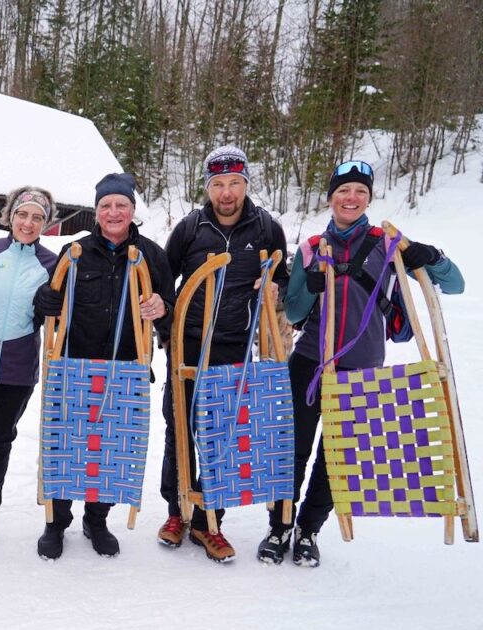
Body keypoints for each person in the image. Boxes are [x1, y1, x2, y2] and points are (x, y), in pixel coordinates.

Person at [262, 159, 464, 567]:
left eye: (359, 191)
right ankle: (280, 525)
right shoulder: (311, 247)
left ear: (369, 197)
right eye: (343, 191)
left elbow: (455, 284)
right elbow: (296, 312)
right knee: (292, 450)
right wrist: (312, 286)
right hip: (309, 364)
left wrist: (432, 256)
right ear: (331, 197)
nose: (350, 198)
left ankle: (308, 530)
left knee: (338, 456)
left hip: (362, 368)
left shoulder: (388, 245)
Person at [157, 145, 289, 563]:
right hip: (189, 341)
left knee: (223, 431)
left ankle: (209, 520)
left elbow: (280, 279)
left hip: (234, 344)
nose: (226, 193)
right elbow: (164, 279)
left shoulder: (267, 228)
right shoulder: (191, 228)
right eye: (217, 185)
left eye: (234, 183)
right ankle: (177, 509)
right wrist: (167, 329)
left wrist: (274, 291)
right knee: (178, 426)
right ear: (208, 187)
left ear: (246, 184)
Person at [33, 172, 175, 560]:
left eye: (121, 205)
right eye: (106, 206)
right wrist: (45, 300)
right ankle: (56, 521)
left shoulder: (151, 254)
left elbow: (170, 311)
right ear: (96, 212)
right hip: (75, 364)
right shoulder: (74, 252)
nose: (114, 212)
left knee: (112, 447)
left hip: (127, 367)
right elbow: (49, 304)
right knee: (66, 442)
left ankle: (96, 519)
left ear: (132, 210)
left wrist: (162, 308)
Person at [0, 187, 59, 550]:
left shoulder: (52, 263)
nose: (28, 222)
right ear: (10, 215)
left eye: (38, 217)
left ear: (45, 224)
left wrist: (50, 307)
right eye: (23, 214)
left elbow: (55, 314)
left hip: (19, 368)